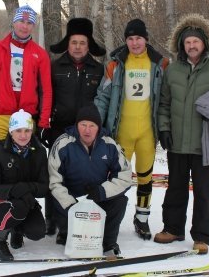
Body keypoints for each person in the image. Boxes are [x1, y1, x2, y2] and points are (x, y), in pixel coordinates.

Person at [155, 13, 209, 255]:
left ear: (204, 43)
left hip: (206, 143)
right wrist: (164, 128)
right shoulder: (172, 71)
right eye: (187, 42)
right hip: (177, 142)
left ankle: (202, 236)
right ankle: (172, 229)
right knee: (175, 187)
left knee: (203, 191)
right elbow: (163, 103)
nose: (192, 46)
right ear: (181, 45)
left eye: (195, 41)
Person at [94, 19, 169, 240]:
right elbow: (103, 97)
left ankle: (142, 219)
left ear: (146, 39)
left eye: (138, 38)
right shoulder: (115, 65)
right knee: (118, 178)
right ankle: (111, 219)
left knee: (145, 177)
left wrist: (166, 128)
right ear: (125, 40)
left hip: (147, 133)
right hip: (121, 133)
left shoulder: (160, 65)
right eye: (130, 38)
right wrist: (96, 125)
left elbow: (166, 99)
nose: (134, 43)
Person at [42, 17, 106, 236]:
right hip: (58, 129)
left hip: (87, 133)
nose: (78, 47)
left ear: (88, 46)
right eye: (74, 42)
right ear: (68, 43)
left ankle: (77, 219)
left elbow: (103, 100)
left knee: (79, 175)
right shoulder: (54, 66)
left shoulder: (98, 69)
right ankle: (51, 218)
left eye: (82, 43)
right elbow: (45, 96)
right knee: (56, 175)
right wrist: (44, 123)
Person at [48, 104, 132, 256]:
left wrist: (102, 191)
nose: (87, 130)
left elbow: (125, 175)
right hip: (70, 202)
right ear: (77, 125)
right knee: (60, 207)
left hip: (96, 198)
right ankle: (67, 232)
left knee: (120, 201)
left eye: (92, 125)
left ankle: (108, 244)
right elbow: (54, 182)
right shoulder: (63, 144)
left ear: (98, 127)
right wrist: (71, 205)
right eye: (83, 125)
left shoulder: (109, 145)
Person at [0, 5, 52, 154]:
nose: (25, 26)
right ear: (14, 22)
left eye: (29, 23)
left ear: (33, 26)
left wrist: (43, 123)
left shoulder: (40, 54)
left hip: (28, 118)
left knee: (25, 166)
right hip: (1, 116)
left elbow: (46, 91)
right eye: (21, 21)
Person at [0, 109, 49, 261]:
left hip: (25, 201)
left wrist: (27, 189)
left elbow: (44, 186)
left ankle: (16, 229)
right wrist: (14, 190)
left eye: (27, 130)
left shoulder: (39, 152)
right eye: (18, 130)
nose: (23, 135)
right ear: (11, 132)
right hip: (1, 202)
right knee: (19, 206)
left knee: (38, 231)